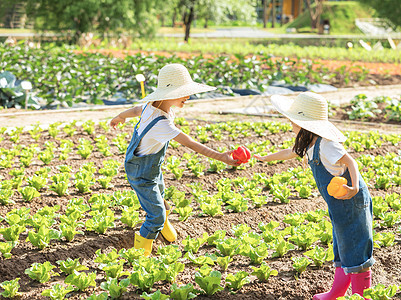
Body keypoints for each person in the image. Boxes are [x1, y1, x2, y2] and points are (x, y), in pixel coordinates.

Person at [110, 63, 239, 256]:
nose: (188, 96)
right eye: (183, 92)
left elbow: (136, 110)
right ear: (168, 94)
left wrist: (120, 116)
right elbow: (191, 143)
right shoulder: (162, 125)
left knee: (161, 198)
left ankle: (162, 225)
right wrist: (221, 157)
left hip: (150, 169)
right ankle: (140, 252)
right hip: (140, 173)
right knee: (155, 215)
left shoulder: (152, 108)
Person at [255, 92, 374, 299]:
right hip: (338, 204)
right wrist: (265, 158)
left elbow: (351, 162)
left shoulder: (327, 145)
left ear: (305, 124)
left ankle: (361, 295)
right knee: (342, 245)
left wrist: (354, 187)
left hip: (352, 201)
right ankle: (336, 292)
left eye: (293, 120)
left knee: (356, 247)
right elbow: (289, 152)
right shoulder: (310, 144)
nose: (291, 123)